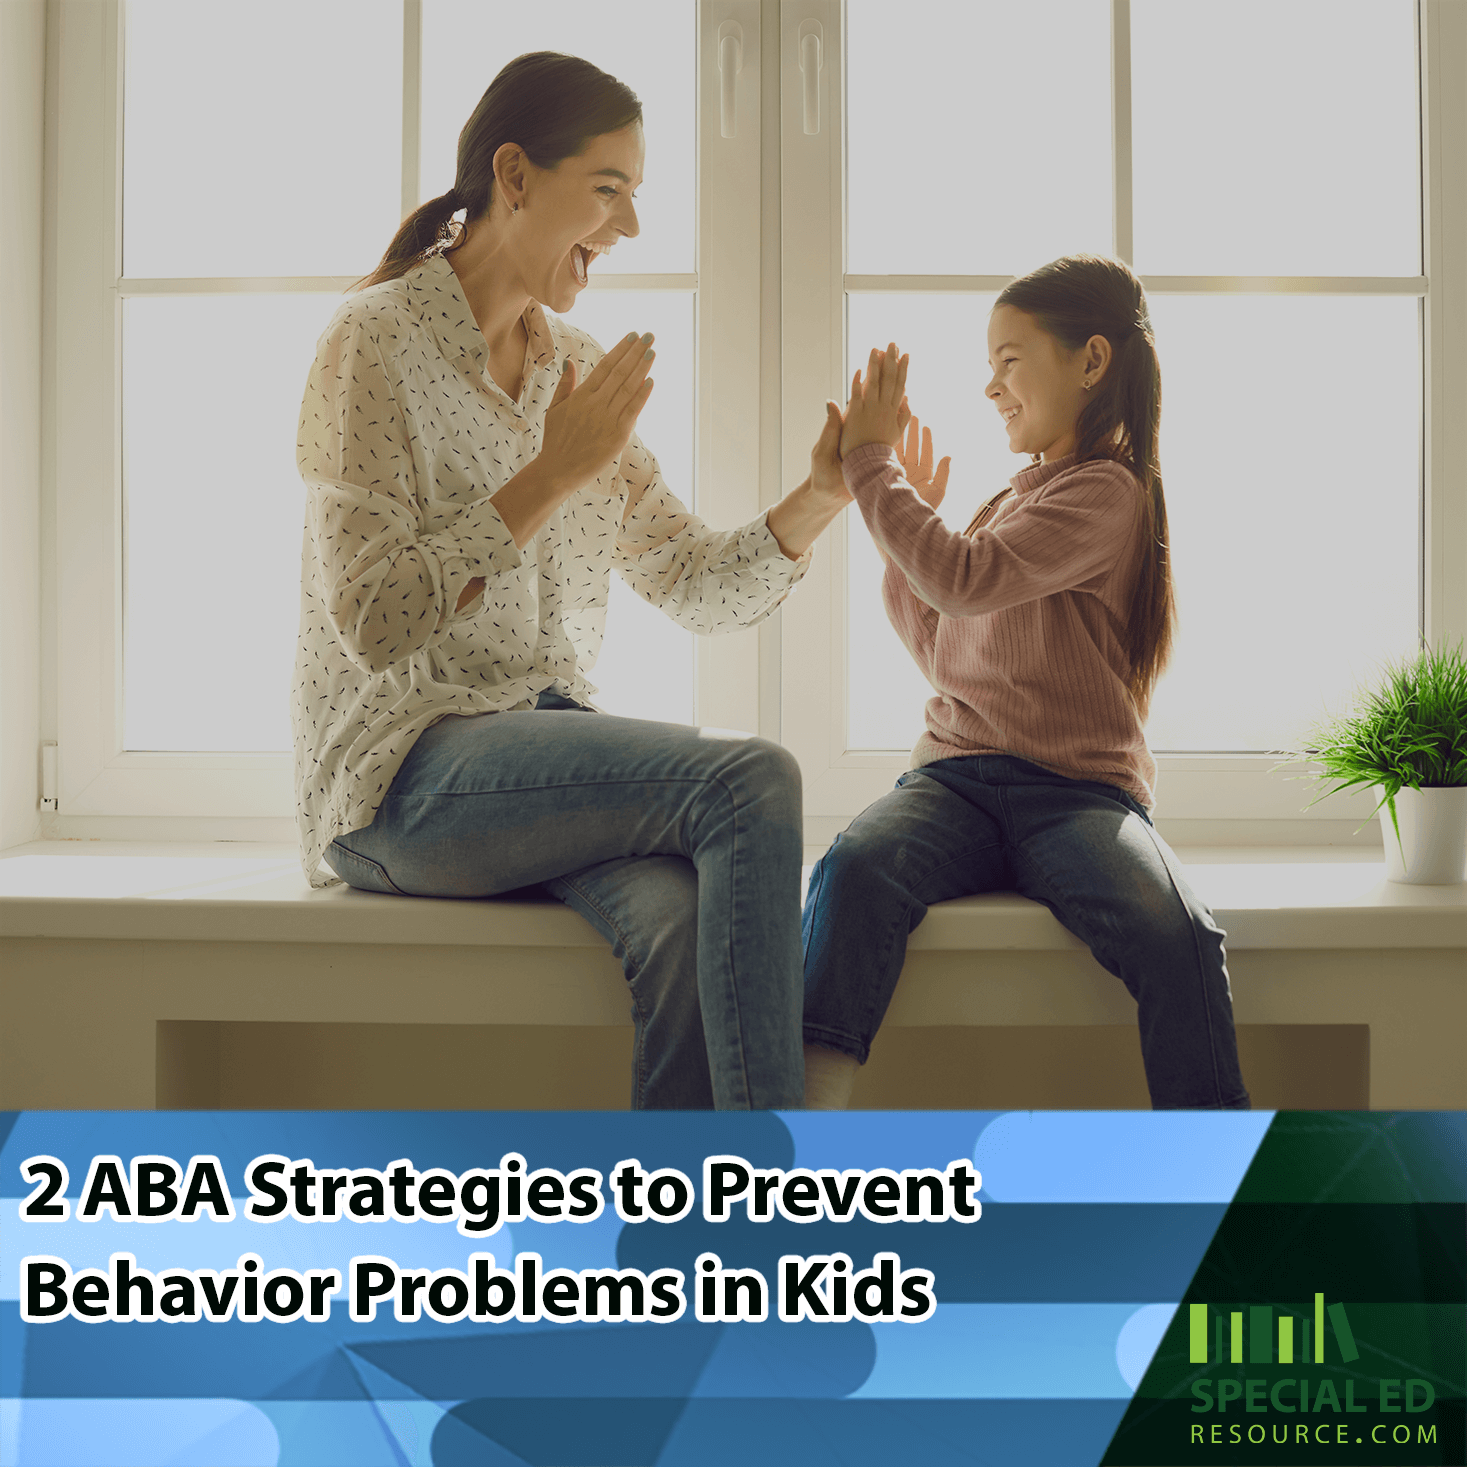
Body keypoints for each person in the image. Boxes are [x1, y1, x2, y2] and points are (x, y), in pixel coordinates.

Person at [291, 52, 850, 1110]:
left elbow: (692, 582)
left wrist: (821, 496)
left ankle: (682, 1256)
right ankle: (784, 1205)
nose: (629, 228)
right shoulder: (373, 344)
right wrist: (549, 476)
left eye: (635, 197)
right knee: (750, 779)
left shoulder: (579, 369)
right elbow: (371, 620)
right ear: (514, 175)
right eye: (609, 191)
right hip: (398, 774)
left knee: (687, 927)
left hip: (539, 758)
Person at [799, 254, 1250, 1111]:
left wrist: (874, 469)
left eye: (1009, 361)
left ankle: (1219, 1193)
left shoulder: (1108, 495)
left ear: (1090, 362)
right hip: (953, 783)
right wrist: (907, 530)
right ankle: (800, 1144)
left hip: (1075, 797)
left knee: (1176, 933)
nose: (991, 387)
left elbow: (962, 578)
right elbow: (943, 644)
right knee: (853, 867)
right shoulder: (1007, 504)